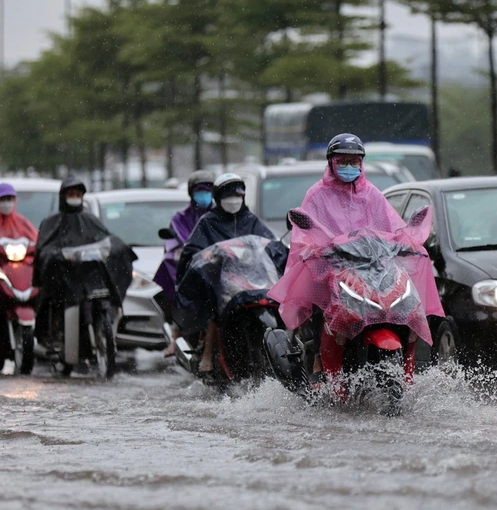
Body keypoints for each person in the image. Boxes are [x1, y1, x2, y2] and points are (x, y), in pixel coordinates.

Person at [268, 133, 444, 381]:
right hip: (333, 267)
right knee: (324, 303)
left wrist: (404, 241)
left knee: (404, 302)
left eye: (355, 161)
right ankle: (319, 356)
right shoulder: (316, 195)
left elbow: (391, 227)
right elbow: (305, 235)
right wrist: (317, 248)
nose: (350, 166)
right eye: (344, 160)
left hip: (371, 268)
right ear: (331, 162)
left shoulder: (371, 194)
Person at [175, 173, 275, 373]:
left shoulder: (251, 220)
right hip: (221, 280)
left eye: (238, 194)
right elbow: (193, 251)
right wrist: (210, 256)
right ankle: (207, 354)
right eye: (229, 194)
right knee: (214, 307)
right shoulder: (207, 222)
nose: (234, 198)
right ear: (218, 197)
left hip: (253, 279)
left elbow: (270, 244)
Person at [33, 175, 135, 344]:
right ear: (63, 196)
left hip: (90, 278)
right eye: (70, 194)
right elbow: (44, 250)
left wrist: (115, 248)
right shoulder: (52, 223)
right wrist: (60, 256)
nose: (74, 198)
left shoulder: (91, 220)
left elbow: (106, 238)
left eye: (77, 194)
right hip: (64, 280)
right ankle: (56, 335)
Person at [155, 170, 215, 357]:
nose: (204, 194)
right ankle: (176, 332)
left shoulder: (221, 213)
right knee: (173, 278)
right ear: (191, 193)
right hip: (192, 263)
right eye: (200, 190)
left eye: (207, 190)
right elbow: (182, 242)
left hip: (219, 261)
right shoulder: (181, 217)